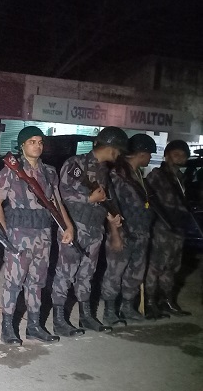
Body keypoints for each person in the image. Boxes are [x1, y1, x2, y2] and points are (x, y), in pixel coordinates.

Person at [0, 126, 74, 345]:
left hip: (43, 234)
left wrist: (68, 227)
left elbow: (57, 202)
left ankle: (34, 326)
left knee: (37, 282)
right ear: (22, 145)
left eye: (40, 142)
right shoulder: (11, 170)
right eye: (32, 142)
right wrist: (4, 232)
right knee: (13, 282)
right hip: (18, 234)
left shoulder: (49, 172)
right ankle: (7, 328)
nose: (37, 146)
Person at [52, 126, 126, 335]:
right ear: (112, 148)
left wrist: (111, 215)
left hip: (95, 228)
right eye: (119, 150)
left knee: (87, 274)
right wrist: (88, 198)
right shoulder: (76, 163)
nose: (119, 154)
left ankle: (86, 316)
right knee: (65, 273)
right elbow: (60, 195)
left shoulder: (104, 170)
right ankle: (59, 320)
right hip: (75, 227)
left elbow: (105, 199)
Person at [100, 134, 157, 325]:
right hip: (123, 232)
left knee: (136, 272)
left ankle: (127, 307)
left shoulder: (137, 175)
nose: (150, 158)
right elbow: (111, 207)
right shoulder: (117, 176)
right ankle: (109, 311)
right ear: (141, 154)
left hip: (141, 233)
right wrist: (115, 235)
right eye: (149, 154)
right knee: (115, 272)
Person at [145, 140, 193, 317]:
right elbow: (148, 201)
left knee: (172, 267)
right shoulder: (157, 175)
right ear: (166, 155)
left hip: (177, 230)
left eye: (183, 155)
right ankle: (150, 302)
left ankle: (167, 300)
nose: (180, 157)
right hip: (161, 228)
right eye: (176, 154)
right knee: (155, 266)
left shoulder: (181, 178)